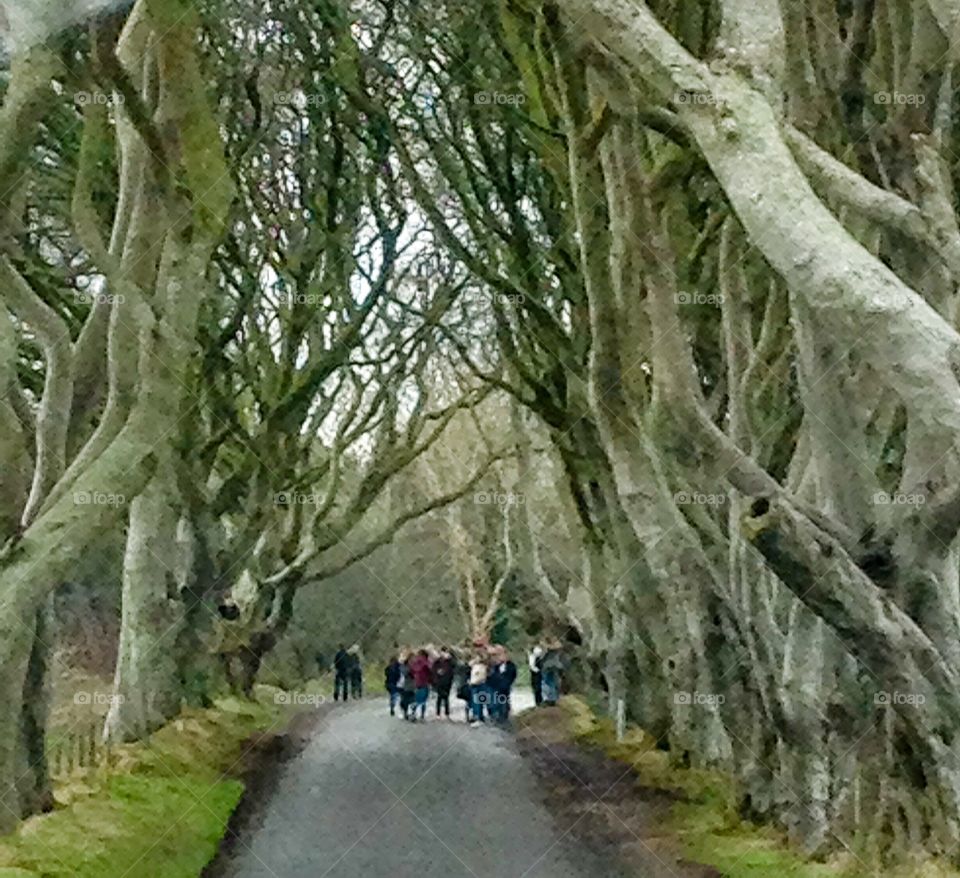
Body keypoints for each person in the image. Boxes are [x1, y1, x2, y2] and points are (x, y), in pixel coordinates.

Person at [488, 645, 518, 723]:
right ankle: (495, 715)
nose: (500, 657)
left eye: (501, 654)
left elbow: (512, 675)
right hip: (495, 686)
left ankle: (503, 716)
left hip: (505, 686)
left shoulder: (510, 665)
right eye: (498, 655)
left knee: (504, 701)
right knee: (494, 701)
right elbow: (491, 676)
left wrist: (506, 682)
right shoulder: (495, 666)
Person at [409, 648, 433, 722]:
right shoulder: (426, 662)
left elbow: (411, 671)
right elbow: (430, 669)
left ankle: (413, 714)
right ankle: (422, 716)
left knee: (417, 699)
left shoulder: (415, 662)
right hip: (425, 683)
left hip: (417, 683)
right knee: (423, 701)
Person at [431, 647, 455, 718]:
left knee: (446, 697)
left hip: (448, 681)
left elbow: (454, 666)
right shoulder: (437, 661)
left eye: (446, 652)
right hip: (439, 681)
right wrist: (437, 673)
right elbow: (433, 670)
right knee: (439, 697)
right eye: (443, 652)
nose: (444, 654)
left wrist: (450, 658)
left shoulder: (449, 661)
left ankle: (447, 713)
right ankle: (438, 713)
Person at [468, 649, 489, 725]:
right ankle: (476, 716)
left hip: (479, 685)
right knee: (474, 702)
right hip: (474, 685)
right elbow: (469, 664)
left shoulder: (482, 666)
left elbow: (482, 677)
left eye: (477, 657)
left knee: (479, 702)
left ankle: (479, 717)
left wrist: (474, 682)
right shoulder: (474, 666)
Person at [540, 639, 564, 706]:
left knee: (548, 682)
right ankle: (551, 699)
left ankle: (550, 699)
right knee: (550, 682)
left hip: (550, 666)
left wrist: (547, 646)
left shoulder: (555, 645)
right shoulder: (554, 647)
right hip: (552, 666)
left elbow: (557, 646)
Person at [399, 652, 416, 720]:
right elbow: (404, 673)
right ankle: (405, 713)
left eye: (414, 658)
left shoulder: (415, 665)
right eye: (412, 659)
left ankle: (413, 714)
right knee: (404, 701)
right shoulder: (404, 666)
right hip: (404, 687)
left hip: (413, 686)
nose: (413, 660)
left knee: (413, 701)